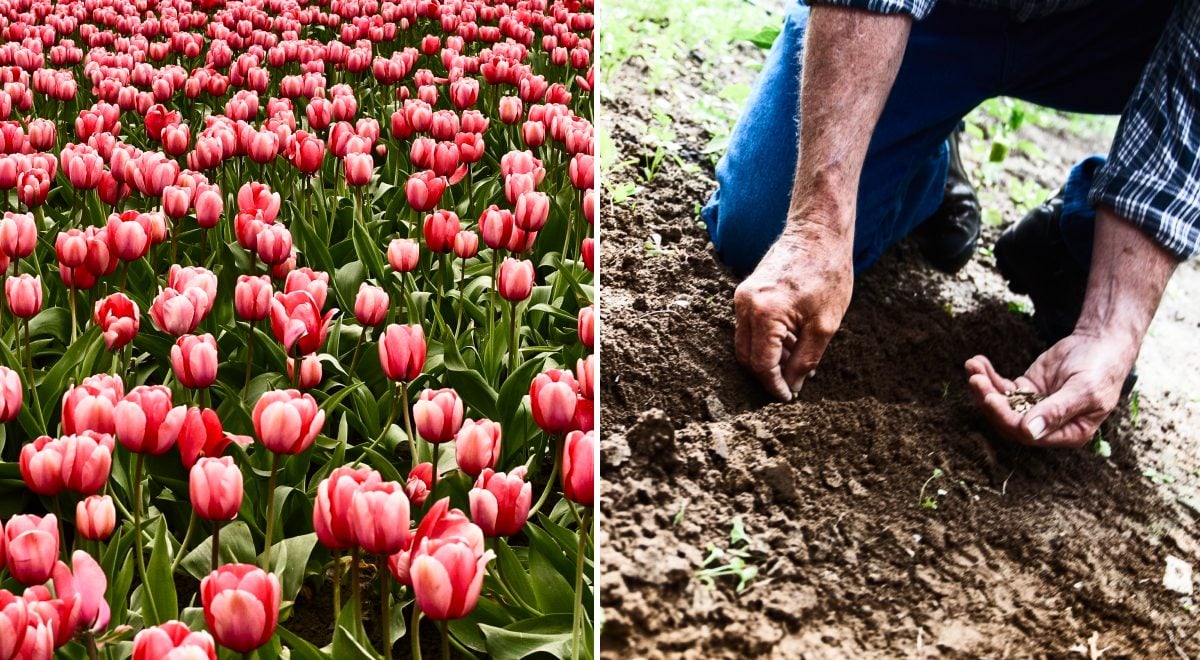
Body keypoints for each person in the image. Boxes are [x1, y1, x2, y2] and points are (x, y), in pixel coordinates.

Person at [701, 0, 1195, 448]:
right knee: (762, 232)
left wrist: (1111, 329)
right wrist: (818, 225)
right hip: (943, 13)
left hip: (1118, 32)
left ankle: (1078, 239)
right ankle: (923, 157)